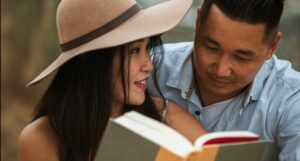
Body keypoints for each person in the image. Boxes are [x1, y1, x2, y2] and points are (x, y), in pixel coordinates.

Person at [18, 0, 206, 161]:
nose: (148, 65)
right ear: (94, 61)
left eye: (147, 48)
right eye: (135, 51)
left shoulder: (164, 114)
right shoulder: (42, 138)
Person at [148, 0, 300, 161]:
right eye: (211, 48)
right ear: (198, 22)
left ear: (272, 46)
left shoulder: (291, 100)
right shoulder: (148, 67)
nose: (221, 70)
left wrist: (174, 115)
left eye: (241, 57)